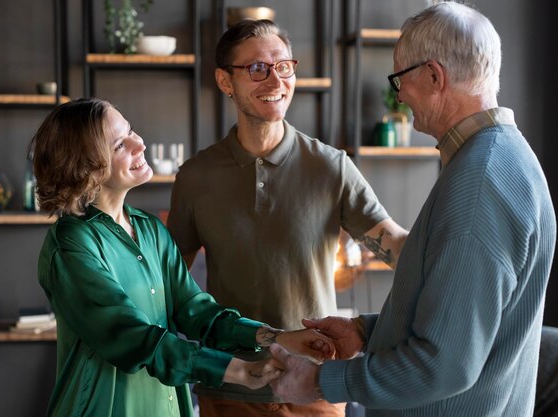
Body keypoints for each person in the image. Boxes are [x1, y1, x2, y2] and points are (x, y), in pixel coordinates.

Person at [269, 2, 557, 417]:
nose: (399, 94)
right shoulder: (508, 158)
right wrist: (365, 332)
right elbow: (462, 315)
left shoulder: (480, 183)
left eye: (400, 78)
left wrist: (320, 381)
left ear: (435, 76)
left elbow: (444, 365)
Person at [29, 98, 335, 417]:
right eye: (120, 144)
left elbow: (195, 311)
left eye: (131, 131)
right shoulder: (71, 244)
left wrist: (278, 337)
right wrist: (239, 371)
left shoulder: (150, 230)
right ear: (86, 165)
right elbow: (132, 336)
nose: (139, 143)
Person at [166, 19, 409, 417]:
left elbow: (395, 244)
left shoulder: (332, 167)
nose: (275, 80)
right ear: (225, 82)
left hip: (314, 386)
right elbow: (170, 282)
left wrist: (451, 257)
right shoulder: (196, 177)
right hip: (230, 387)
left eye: (283, 66)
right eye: (257, 68)